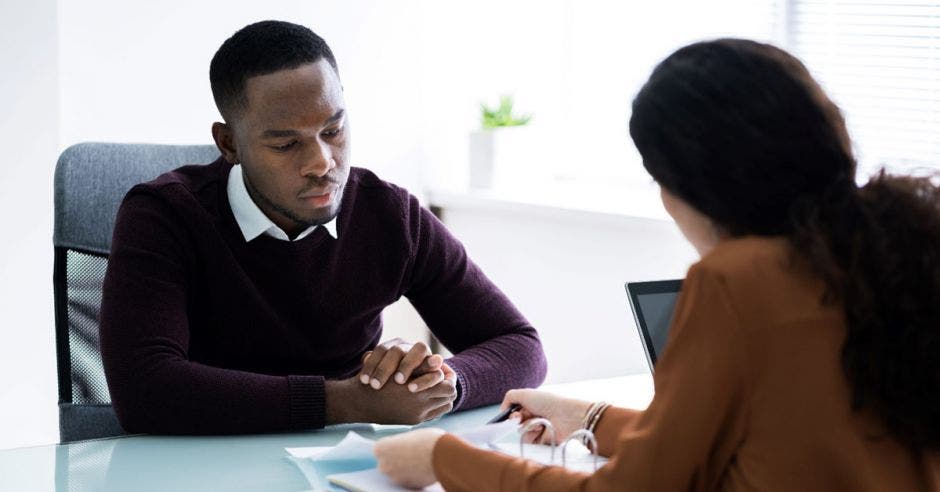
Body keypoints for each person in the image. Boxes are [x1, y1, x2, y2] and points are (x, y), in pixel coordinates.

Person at [373, 38, 940, 490]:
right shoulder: (886, 251)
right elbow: (744, 441)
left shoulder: (737, 280)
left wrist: (443, 460)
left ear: (698, 182)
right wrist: (590, 418)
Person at [98, 20, 547, 434]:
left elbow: (520, 346)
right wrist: (346, 403)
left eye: (333, 131)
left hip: (341, 464)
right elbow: (145, 389)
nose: (322, 163)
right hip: (199, 462)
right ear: (229, 143)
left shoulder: (389, 215)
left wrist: (438, 385)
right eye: (286, 143)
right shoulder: (163, 216)